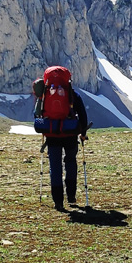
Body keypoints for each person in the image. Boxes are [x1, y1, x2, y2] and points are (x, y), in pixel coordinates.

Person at [41, 73, 89, 211]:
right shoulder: (73, 95)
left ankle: (58, 202)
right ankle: (71, 196)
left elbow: (37, 113)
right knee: (71, 162)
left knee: (55, 166)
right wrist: (83, 134)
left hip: (52, 134)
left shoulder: (45, 95)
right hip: (70, 134)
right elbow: (83, 116)